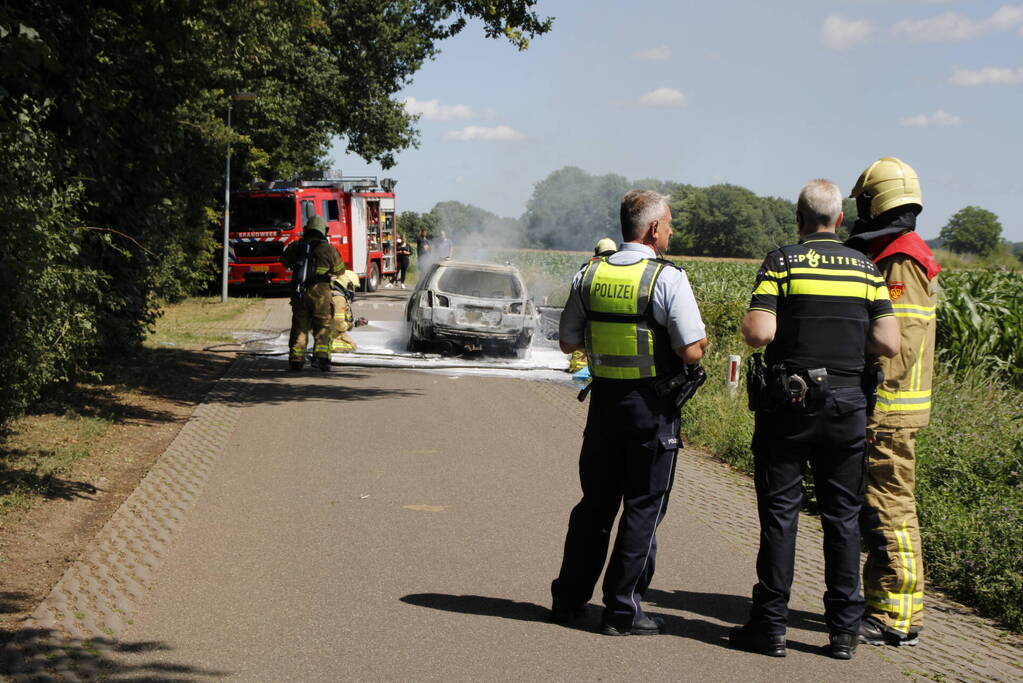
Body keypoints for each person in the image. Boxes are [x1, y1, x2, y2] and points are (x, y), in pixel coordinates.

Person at [730, 179, 900, 660]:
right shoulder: (867, 268)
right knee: (842, 518)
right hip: (848, 404)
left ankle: (770, 627)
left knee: (781, 515)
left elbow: (759, 333)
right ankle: (844, 632)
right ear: (840, 220)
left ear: (799, 218)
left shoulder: (782, 261)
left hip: (791, 405)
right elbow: (888, 342)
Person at [551, 189, 709, 636]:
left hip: (603, 407)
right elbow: (691, 351)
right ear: (654, 228)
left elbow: (568, 341)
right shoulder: (667, 279)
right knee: (643, 506)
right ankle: (623, 611)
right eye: (670, 224)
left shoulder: (589, 273)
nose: (672, 231)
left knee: (595, 506)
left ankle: (567, 601)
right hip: (652, 410)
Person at [846, 157, 940, 647]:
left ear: (873, 201)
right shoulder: (898, 250)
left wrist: (875, 406)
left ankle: (896, 617)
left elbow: (895, 344)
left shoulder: (901, 257)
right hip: (889, 405)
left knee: (890, 509)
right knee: (878, 508)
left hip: (891, 407)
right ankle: (882, 603)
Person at [281, 215, 346, 371]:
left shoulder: (296, 246)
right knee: (323, 325)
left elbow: (284, 262)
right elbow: (340, 270)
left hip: (299, 292)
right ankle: (322, 359)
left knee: (300, 325)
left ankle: (296, 359)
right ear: (323, 231)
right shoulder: (329, 249)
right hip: (321, 294)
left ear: (306, 229)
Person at [331, 271, 361, 353]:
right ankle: (327, 345)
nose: (353, 291)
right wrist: (349, 325)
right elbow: (339, 324)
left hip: (325, 329)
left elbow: (340, 317)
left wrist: (354, 322)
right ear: (348, 285)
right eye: (353, 288)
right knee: (351, 346)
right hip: (329, 331)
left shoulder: (332, 293)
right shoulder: (339, 299)